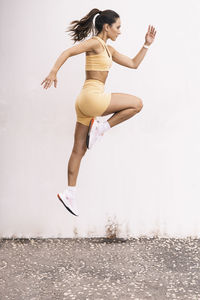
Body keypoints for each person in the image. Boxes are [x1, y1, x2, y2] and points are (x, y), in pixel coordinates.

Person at [41, 8, 157, 217]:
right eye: (118, 27)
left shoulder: (108, 49)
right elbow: (68, 52)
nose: (120, 31)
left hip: (83, 101)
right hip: (93, 98)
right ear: (107, 27)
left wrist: (146, 44)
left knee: (78, 150)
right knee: (137, 104)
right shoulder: (95, 43)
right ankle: (101, 128)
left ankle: (70, 193)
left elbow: (133, 64)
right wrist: (53, 71)